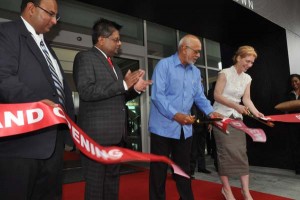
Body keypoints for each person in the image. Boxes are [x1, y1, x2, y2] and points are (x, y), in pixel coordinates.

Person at [0, 0, 75, 199]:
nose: (54, 21)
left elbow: (61, 90)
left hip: (53, 146)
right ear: (31, 8)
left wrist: (68, 133)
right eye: (50, 14)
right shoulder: (6, 33)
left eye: (56, 16)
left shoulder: (47, 48)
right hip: (22, 147)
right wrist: (38, 104)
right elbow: (4, 78)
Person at [73, 18, 151, 200]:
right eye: (116, 39)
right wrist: (122, 84)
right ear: (101, 39)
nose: (119, 43)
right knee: (95, 186)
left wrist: (134, 90)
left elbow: (119, 97)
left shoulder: (113, 65)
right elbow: (86, 91)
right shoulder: (85, 58)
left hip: (116, 137)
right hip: (96, 138)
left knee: (111, 184)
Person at [148, 34, 221, 200]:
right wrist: (176, 115)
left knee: (184, 169)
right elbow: (157, 96)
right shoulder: (164, 65)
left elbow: (199, 97)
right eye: (196, 51)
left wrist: (211, 112)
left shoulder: (195, 72)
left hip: (185, 129)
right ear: (183, 49)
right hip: (162, 128)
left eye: (199, 52)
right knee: (159, 170)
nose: (198, 55)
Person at [213, 45, 264, 200]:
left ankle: (245, 191)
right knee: (225, 152)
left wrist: (256, 113)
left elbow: (246, 99)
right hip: (220, 117)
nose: (249, 65)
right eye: (247, 61)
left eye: (252, 63)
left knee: (241, 153)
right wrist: (236, 106)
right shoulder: (225, 73)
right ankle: (227, 190)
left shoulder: (247, 78)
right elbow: (216, 96)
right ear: (239, 57)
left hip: (237, 120)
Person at [190, 103, 212, 178]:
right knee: (193, 149)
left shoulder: (203, 94)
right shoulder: (192, 94)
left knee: (201, 148)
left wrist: (209, 122)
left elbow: (206, 108)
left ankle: (201, 167)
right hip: (194, 124)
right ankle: (191, 170)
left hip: (204, 124)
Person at [286, 74, 300, 174]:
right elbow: (286, 108)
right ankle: (298, 168)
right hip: (293, 124)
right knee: (295, 145)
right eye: (292, 82)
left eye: (296, 81)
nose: (294, 83)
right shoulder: (289, 94)